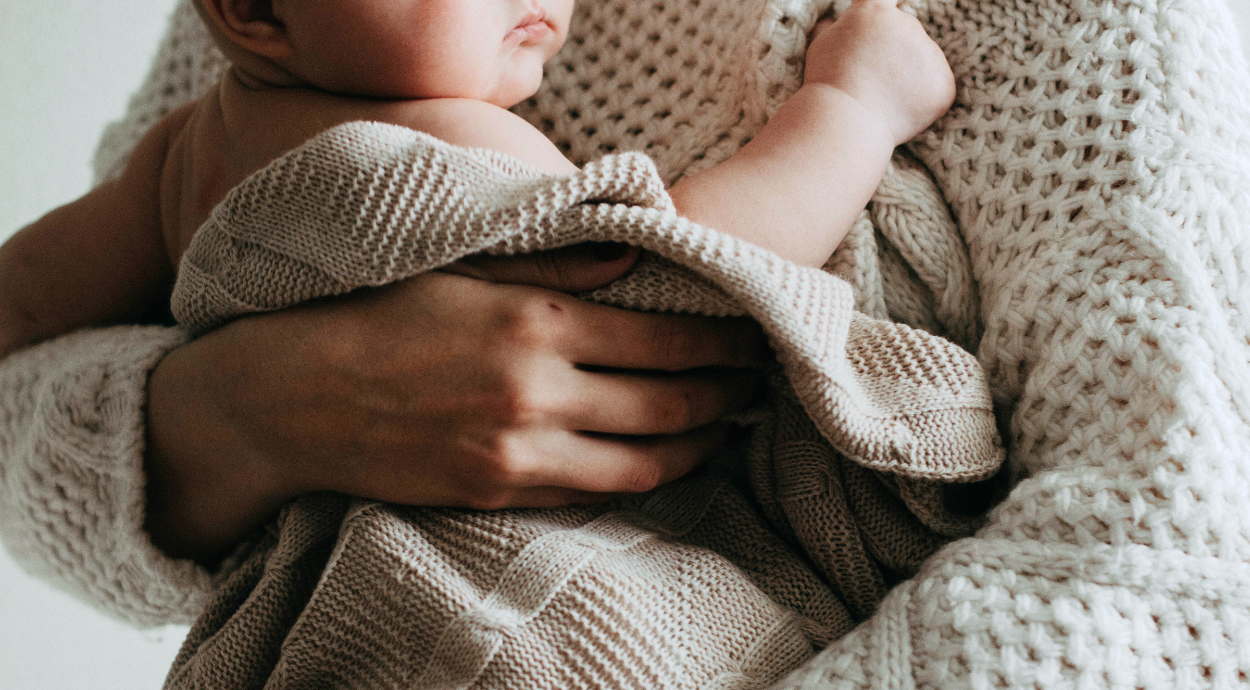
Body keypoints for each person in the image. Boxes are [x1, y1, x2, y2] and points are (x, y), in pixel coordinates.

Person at [0, 0, 951, 564]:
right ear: (253, 10)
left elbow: (26, 303)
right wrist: (850, 111)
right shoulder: (449, 143)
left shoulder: (176, 162)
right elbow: (688, 274)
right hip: (519, 575)